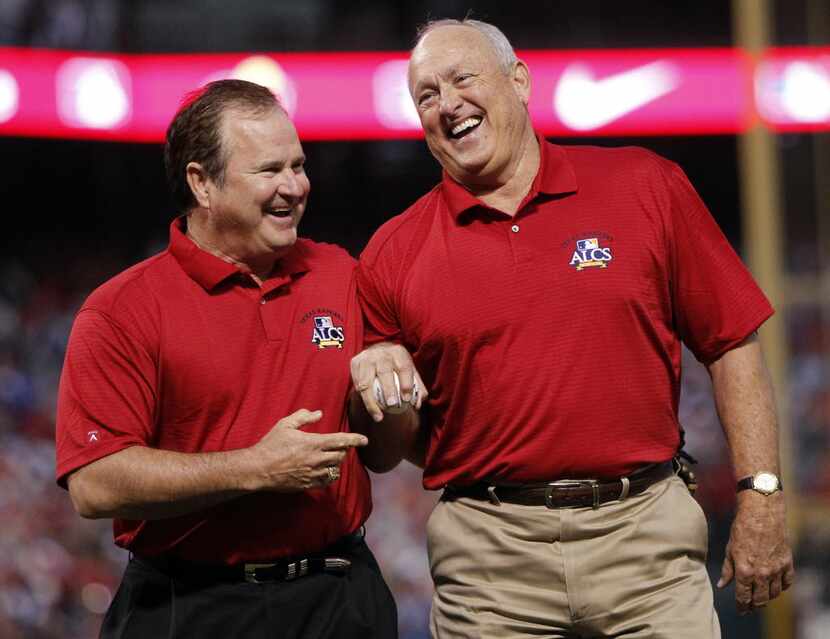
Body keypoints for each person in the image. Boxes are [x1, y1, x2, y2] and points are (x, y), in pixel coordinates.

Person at [350, 18, 795, 638]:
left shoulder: (645, 186)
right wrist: (376, 391)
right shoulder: (391, 252)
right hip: (489, 559)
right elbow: (389, 449)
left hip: (645, 538)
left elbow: (732, 346)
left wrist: (762, 494)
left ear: (520, 81)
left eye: (462, 79)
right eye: (426, 94)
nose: (447, 104)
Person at [55, 79, 398, 639]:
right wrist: (255, 468)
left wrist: (393, 390)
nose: (296, 186)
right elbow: (94, 484)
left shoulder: (342, 275)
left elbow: (383, 454)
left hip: (341, 596)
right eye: (270, 171)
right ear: (202, 183)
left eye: (299, 165)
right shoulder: (121, 310)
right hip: (193, 604)